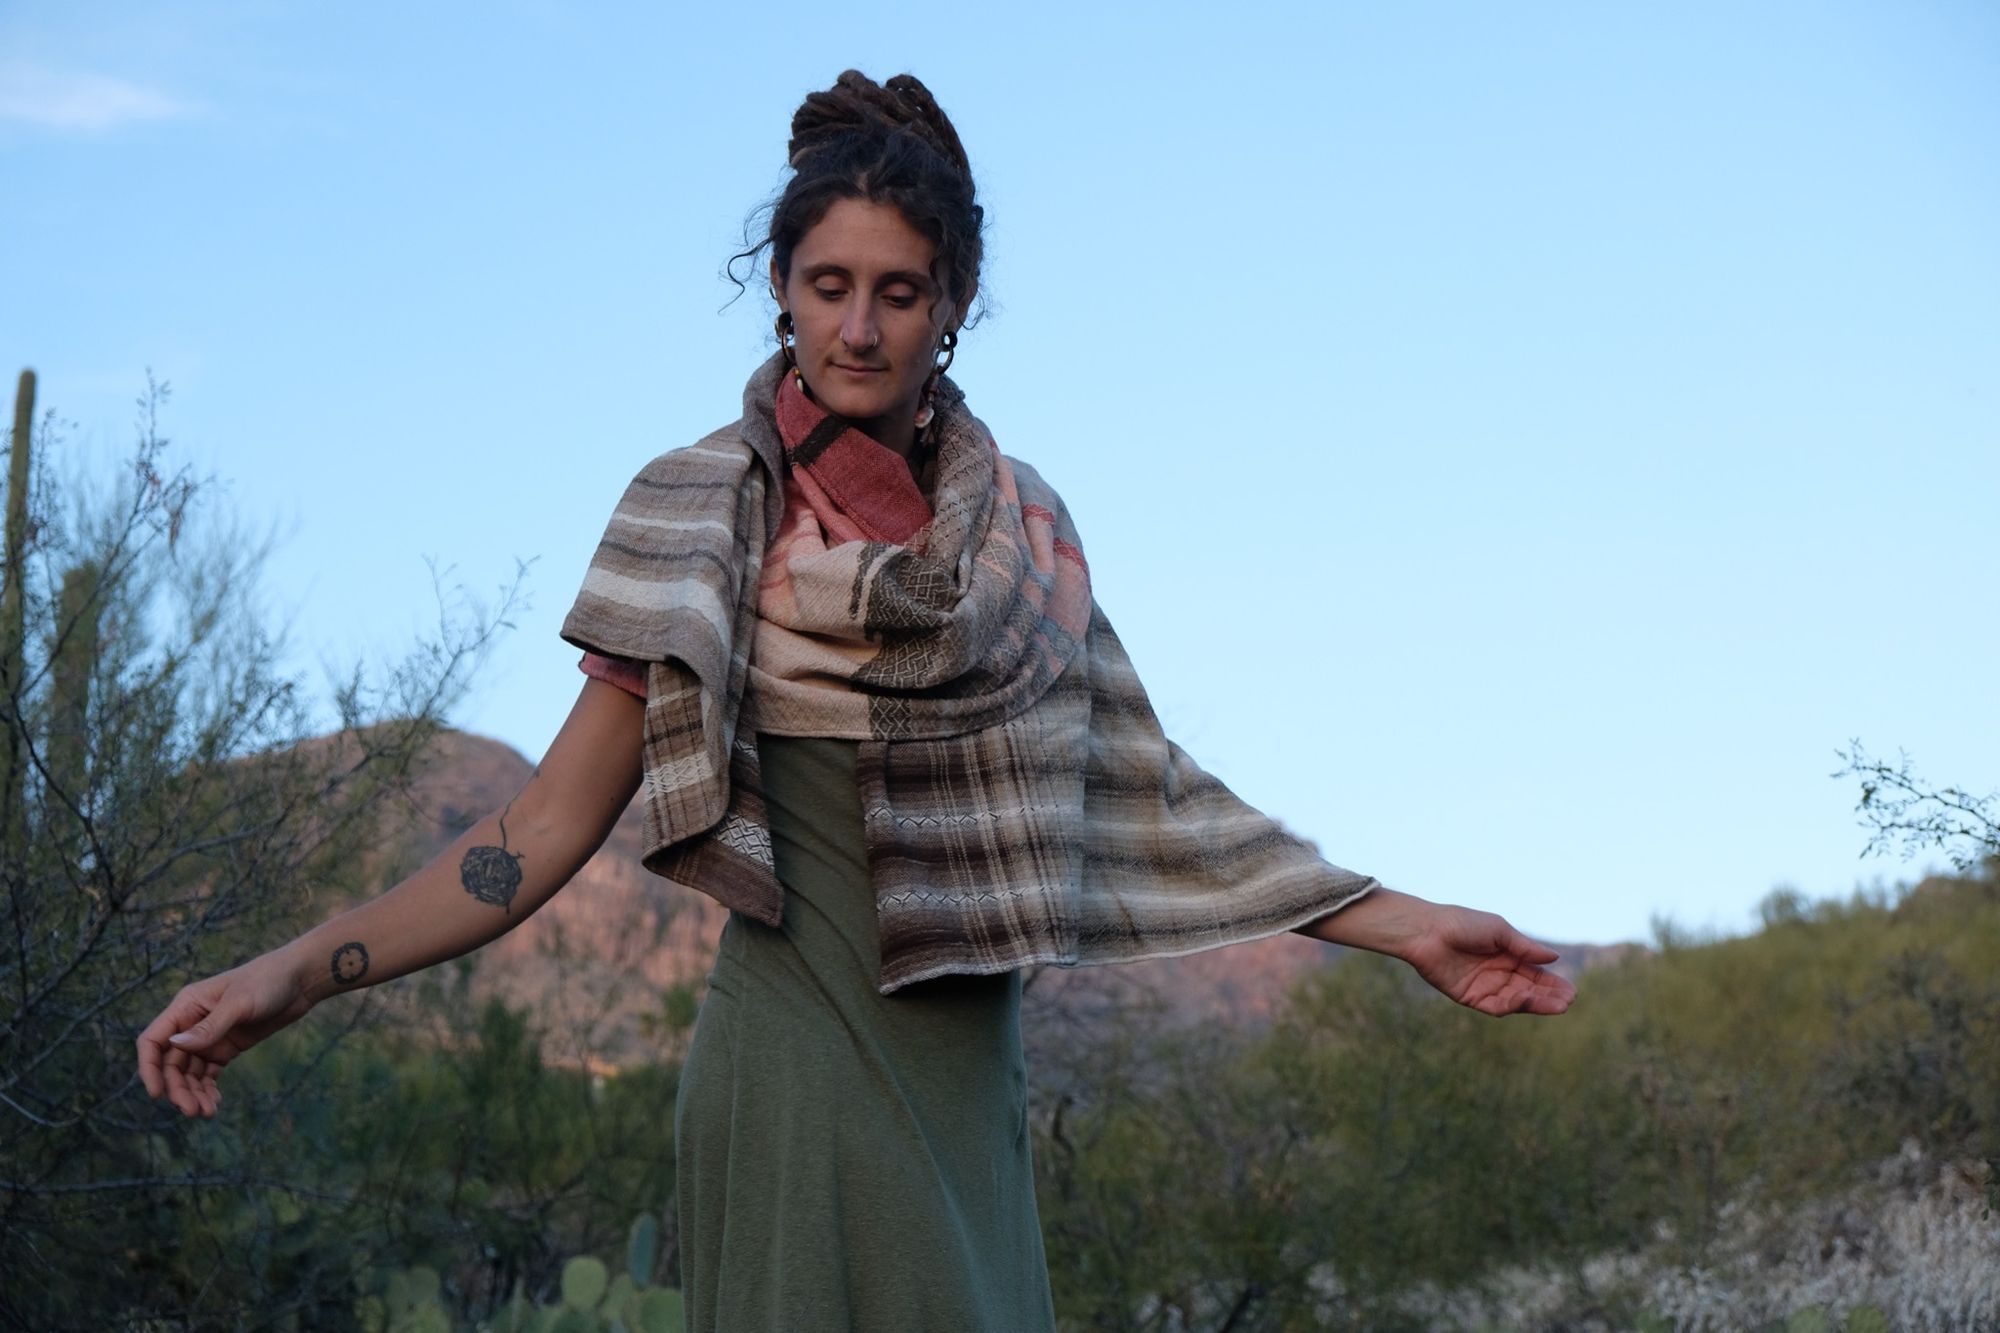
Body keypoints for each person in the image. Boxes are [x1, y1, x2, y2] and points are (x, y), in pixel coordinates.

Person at [138, 70, 1576, 1332]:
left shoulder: (1024, 537)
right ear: (780, 285)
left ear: (952, 306)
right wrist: (290, 974)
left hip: (965, 1100)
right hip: (792, 1086)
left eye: (899, 291)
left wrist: (1400, 925)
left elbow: (1148, 793)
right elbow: (541, 828)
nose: (862, 327)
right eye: (830, 286)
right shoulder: (699, 513)